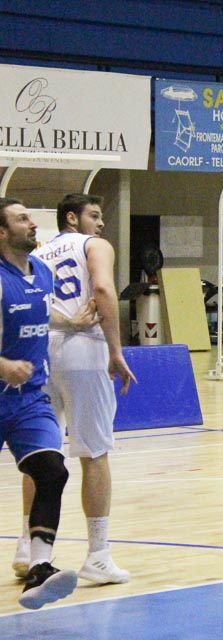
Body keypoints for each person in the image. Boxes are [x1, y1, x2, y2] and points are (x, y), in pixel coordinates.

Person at [14, 193, 138, 587]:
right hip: (84, 349)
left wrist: (63, 321)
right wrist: (116, 351)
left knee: (41, 453)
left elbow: (33, 302)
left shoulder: (38, 252)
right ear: (72, 218)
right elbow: (102, 289)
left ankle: (26, 546)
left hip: (43, 348)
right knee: (94, 452)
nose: (100, 224)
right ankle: (98, 555)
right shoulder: (94, 246)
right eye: (95, 216)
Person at [0, 198, 80, 609]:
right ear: (1, 232)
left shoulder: (42, 272)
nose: (32, 224)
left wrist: (71, 322)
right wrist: (2, 365)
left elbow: (40, 315)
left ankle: (39, 569)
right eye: (21, 219)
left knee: (52, 471)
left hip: (30, 398)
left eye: (31, 217)